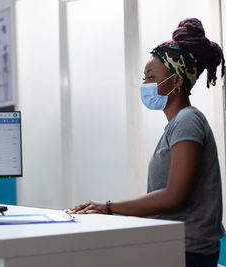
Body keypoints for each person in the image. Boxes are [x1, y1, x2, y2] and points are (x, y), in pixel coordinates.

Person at [67, 18, 225, 267]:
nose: (145, 85)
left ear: (176, 81)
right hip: (176, 246)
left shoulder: (188, 120)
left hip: (189, 251)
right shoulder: (177, 124)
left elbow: (174, 196)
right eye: (144, 78)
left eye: (151, 77)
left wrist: (109, 207)